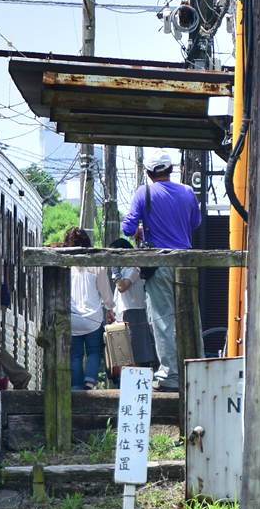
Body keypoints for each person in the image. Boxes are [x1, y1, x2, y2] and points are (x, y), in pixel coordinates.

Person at [119, 154, 201, 392]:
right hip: (186, 263)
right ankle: (196, 371)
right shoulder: (187, 192)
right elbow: (195, 222)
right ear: (172, 168)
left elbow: (127, 228)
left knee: (164, 321)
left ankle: (170, 377)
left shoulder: (143, 193)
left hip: (160, 264)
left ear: (147, 173)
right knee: (190, 317)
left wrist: (145, 228)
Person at [61, 226, 114, 390]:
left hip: (72, 318)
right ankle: (90, 384)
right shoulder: (96, 264)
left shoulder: (64, 265)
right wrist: (111, 308)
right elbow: (105, 291)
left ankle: (76, 388)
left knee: (75, 355)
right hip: (93, 319)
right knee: (94, 351)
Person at [108, 237, 157, 371]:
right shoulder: (125, 269)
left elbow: (122, 287)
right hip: (124, 312)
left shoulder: (133, 269)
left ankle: (137, 378)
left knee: (135, 351)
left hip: (133, 312)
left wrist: (115, 273)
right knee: (125, 352)